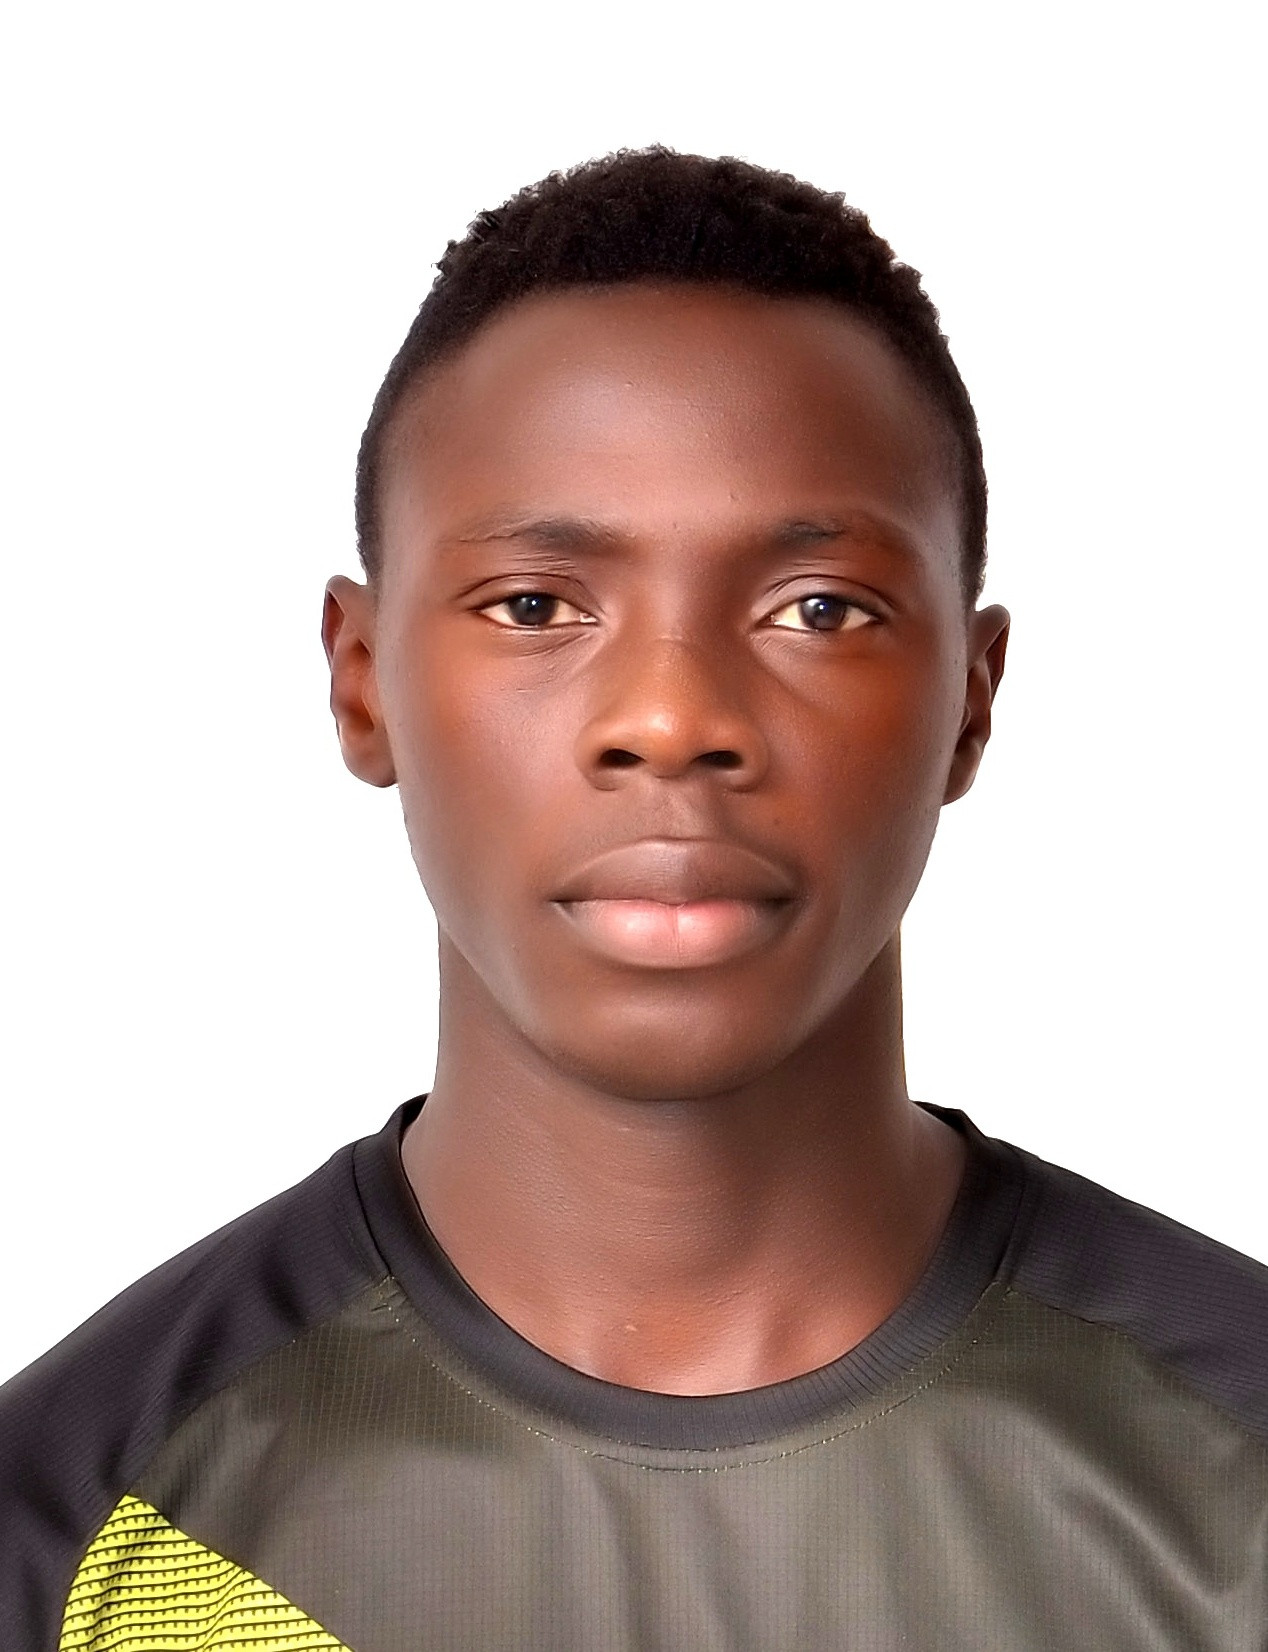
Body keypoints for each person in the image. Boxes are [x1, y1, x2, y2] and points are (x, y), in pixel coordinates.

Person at [1, 146, 1264, 1652]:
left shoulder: (1237, 1492)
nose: (672, 720)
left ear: (971, 703)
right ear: (363, 681)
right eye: (536, 606)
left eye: (818, 610)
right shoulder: (78, 1537)